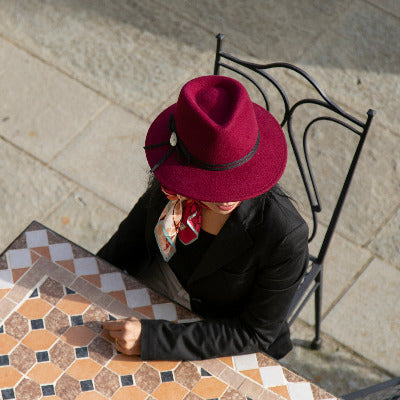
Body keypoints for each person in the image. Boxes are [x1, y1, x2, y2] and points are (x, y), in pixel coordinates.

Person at [99, 75, 309, 361]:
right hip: (159, 291)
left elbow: (255, 333)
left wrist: (152, 340)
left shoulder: (284, 235)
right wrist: (87, 285)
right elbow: (123, 246)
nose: (226, 197)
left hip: (227, 335)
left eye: (236, 179)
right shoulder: (173, 188)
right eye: (213, 182)